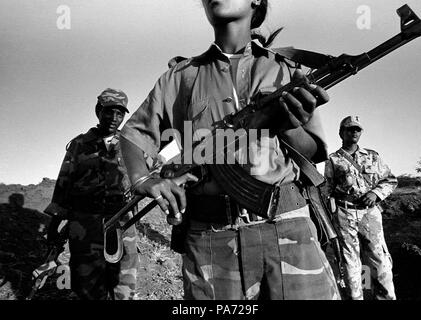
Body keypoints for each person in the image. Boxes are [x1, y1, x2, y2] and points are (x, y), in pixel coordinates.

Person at [120, 0, 340, 300]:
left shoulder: (284, 68)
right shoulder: (181, 76)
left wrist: (287, 125)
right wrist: (142, 179)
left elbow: (313, 151)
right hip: (211, 238)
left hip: (288, 229)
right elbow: (134, 136)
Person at [44, 88, 138, 300]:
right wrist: (54, 225)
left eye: (120, 113)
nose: (114, 118)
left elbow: (145, 176)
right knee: (86, 284)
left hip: (121, 222)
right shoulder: (79, 144)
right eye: (109, 112)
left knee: (123, 281)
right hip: (84, 223)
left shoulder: (131, 143)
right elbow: (64, 183)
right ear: (98, 111)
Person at [323, 116, 397, 300]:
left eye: (357, 129)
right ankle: (357, 297)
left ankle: (385, 297)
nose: (354, 132)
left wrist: (376, 194)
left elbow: (390, 180)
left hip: (370, 214)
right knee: (351, 262)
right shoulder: (333, 159)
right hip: (345, 213)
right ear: (341, 133)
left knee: (379, 260)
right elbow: (327, 190)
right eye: (349, 129)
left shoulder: (373, 156)